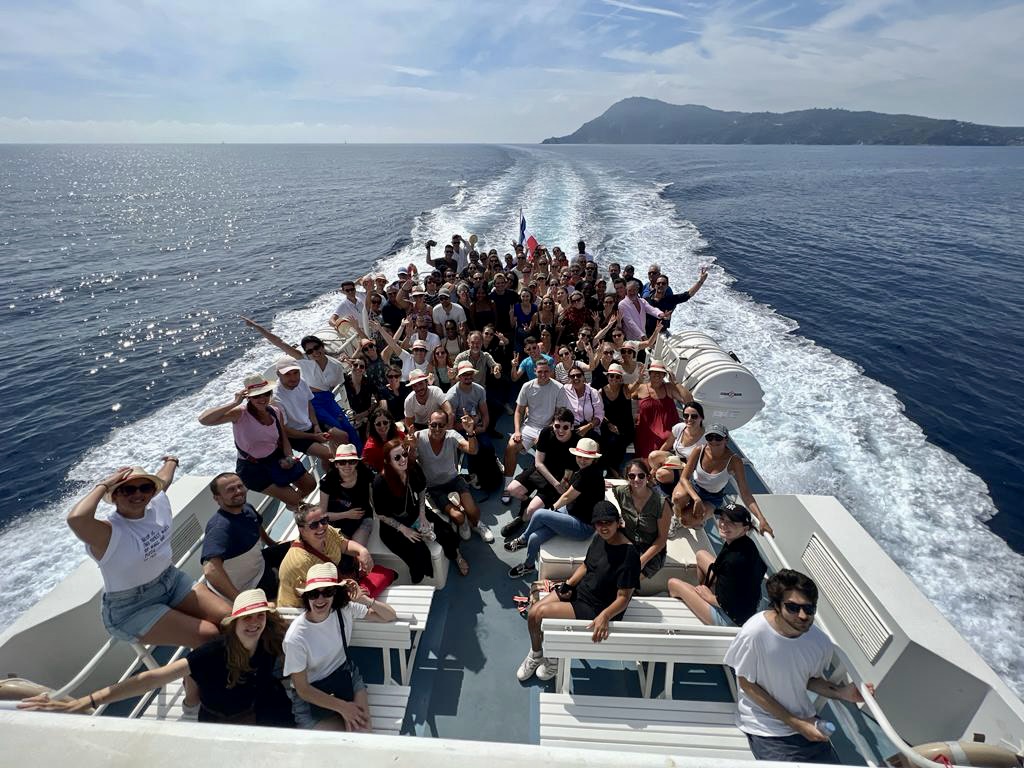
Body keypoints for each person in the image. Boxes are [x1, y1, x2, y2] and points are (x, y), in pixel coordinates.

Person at [20, 589, 295, 727]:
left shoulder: (270, 640)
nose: (254, 623)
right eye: (246, 617)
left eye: (259, 616)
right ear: (233, 623)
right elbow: (152, 678)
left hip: (259, 705)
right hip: (223, 719)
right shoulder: (213, 652)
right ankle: (190, 704)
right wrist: (85, 701)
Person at [67, 461, 229, 649]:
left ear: (152, 491)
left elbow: (164, 478)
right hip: (132, 607)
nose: (138, 494)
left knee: (232, 618)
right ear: (115, 495)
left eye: (145, 488)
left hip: (171, 581)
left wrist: (171, 461)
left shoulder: (158, 503)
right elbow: (77, 519)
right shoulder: (107, 533)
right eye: (128, 489)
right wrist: (105, 484)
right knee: (209, 635)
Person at [724, 570, 870, 763]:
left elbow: (809, 679)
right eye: (793, 607)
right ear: (777, 605)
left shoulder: (819, 642)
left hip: (807, 722)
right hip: (767, 728)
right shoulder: (754, 634)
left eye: (809, 609)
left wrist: (841, 692)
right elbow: (747, 685)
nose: (802, 616)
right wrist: (797, 724)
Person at [516, 501, 639, 682]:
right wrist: (568, 584)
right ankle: (536, 654)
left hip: (598, 607)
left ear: (618, 522)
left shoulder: (629, 556)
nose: (603, 527)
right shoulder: (600, 538)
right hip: (582, 590)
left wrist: (605, 616)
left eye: (608, 522)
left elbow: (624, 597)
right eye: (599, 523)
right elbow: (586, 565)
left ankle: (553, 660)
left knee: (541, 613)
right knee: (534, 612)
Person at [284, 563, 397, 731]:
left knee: (361, 732)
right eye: (314, 594)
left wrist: (364, 600)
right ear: (307, 597)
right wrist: (344, 707)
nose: (320, 599)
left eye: (327, 592)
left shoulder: (344, 609)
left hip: (344, 676)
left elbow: (389, 615)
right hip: (312, 694)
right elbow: (303, 689)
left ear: (335, 593)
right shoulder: (296, 637)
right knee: (337, 741)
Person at [199, 374, 317, 508]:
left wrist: (289, 457)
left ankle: (293, 505)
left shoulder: (275, 411)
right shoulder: (240, 414)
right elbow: (204, 420)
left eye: (266, 394)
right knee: (295, 500)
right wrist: (234, 403)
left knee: (310, 485)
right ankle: (296, 505)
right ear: (248, 397)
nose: (262, 399)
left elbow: (283, 438)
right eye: (256, 396)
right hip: (253, 468)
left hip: (276, 457)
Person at [240, 319, 358, 443]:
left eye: (316, 347)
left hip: (328, 399)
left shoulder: (335, 365)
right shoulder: (304, 360)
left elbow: (337, 384)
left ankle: (360, 453)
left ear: (322, 346)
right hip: (313, 401)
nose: (314, 352)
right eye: (310, 351)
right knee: (339, 430)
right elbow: (279, 342)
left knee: (348, 428)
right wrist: (256, 326)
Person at [505, 437, 606, 579]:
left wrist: (552, 508)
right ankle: (528, 566)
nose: (582, 460)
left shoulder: (588, 475)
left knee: (540, 514)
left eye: (587, 458)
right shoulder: (588, 471)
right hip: (570, 512)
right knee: (534, 538)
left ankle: (522, 540)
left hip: (583, 526)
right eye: (580, 456)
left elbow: (566, 497)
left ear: (593, 459)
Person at [373, 438, 467, 580]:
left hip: (414, 511)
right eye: (397, 457)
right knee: (418, 552)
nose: (403, 459)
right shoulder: (380, 482)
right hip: (393, 524)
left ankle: (456, 555)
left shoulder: (412, 467)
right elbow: (380, 514)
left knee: (446, 532)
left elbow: (422, 489)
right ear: (388, 461)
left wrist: (422, 514)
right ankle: (419, 579)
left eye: (404, 454)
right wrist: (404, 529)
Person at [668, 503, 767, 627]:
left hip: (732, 618)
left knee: (673, 584)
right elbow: (761, 570)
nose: (723, 524)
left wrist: (708, 597)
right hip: (751, 604)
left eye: (732, 522)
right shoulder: (746, 544)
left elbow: (730, 603)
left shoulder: (734, 561)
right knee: (701, 555)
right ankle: (700, 594)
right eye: (722, 519)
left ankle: (693, 601)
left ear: (745, 528)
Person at [675, 423, 775, 537]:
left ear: (726, 439)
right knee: (678, 499)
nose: (713, 441)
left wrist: (761, 519)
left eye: (718, 437)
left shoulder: (734, 461)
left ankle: (697, 517)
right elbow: (684, 478)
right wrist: (696, 498)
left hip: (712, 497)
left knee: (689, 521)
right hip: (694, 488)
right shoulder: (699, 450)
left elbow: (745, 493)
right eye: (709, 437)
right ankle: (677, 515)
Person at [500, 408, 579, 540]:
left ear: (572, 427)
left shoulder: (577, 442)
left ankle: (520, 520)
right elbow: (538, 463)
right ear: (553, 424)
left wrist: (560, 486)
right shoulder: (546, 433)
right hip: (542, 471)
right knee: (512, 490)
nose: (560, 430)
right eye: (557, 426)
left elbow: (572, 470)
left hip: (560, 477)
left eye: (565, 427)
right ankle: (527, 501)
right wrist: (555, 483)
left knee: (531, 511)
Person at [276, 504, 373, 610]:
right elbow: (313, 596)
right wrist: (347, 594)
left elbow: (344, 546)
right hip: (301, 607)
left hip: (328, 591)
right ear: (302, 530)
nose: (321, 526)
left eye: (324, 520)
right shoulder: (299, 562)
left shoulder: (327, 531)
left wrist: (362, 551)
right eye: (314, 525)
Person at [201, 472, 282, 601]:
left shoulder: (247, 508)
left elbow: (257, 524)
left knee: (297, 548)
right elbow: (210, 570)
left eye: (240, 486)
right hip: (248, 585)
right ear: (217, 498)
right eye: (231, 490)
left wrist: (271, 543)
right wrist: (240, 600)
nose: (238, 491)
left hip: (259, 564)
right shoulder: (220, 527)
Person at [416, 410, 493, 543]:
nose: (437, 429)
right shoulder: (418, 437)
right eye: (434, 425)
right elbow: (410, 461)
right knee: (458, 517)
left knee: (473, 511)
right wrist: (411, 448)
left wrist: (470, 432)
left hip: (454, 480)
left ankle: (476, 524)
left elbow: (473, 450)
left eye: (441, 425)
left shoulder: (452, 435)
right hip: (434, 487)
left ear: (447, 426)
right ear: (428, 424)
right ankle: (463, 522)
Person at [502, 358, 569, 501]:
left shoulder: (559, 388)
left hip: (550, 428)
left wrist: (545, 433)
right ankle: (507, 486)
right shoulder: (527, 386)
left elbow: (559, 416)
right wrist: (517, 431)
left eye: (546, 371)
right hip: (530, 426)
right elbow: (519, 411)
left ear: (550, 371)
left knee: (550, 457)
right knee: (510, 447)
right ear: (534, 371)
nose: (543, 375)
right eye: (540, 372)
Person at [272, 357, 356, 460]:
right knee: (330, 454)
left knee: (343, 436)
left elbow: (309, 404)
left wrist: (316, 425)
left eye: (296, 372)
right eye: (287, 374)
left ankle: (337, 467)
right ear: (278, 374)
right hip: (296, 436)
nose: (293, 378)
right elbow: (285, 430)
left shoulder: (301, 382)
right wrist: (314, 436)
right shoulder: (276, 398)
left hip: (310, 424)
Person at [612, 459, 671, 580]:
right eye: (631, 476)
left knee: (626, 581)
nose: (636, 479)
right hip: (628, 539)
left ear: (647, 477)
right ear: (627, 477)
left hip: (651, 549)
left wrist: (641, 561)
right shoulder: (620, 492)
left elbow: (662, 539)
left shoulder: (661, 504)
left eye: (641, 476)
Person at [633, 361, 692, 459]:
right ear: (649, 373)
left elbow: (689, 401)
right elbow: (627, 394)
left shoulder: (669, 388)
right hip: (646, 433)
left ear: (664, 375)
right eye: (654, 372)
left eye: (660, 372)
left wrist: (676, 383)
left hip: (669, 435)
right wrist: (638, 381)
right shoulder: (641, 388)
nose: (657, 374)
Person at [318, 444, 375, 547]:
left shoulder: (365, 474)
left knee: (357, 548)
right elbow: (322, 515)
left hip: (363, 518)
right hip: (337, 521)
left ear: (357, 463)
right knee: (339, 549)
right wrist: (346, 514)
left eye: (352, 462)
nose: (347, 466)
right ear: (336, 465)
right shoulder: (327, 482)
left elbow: (373, 500)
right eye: (342, 462)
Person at [645, 267, 708, 335]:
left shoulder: (671, 300)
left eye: (663, 283)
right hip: (646, 333)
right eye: (658, 283)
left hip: (661, 334)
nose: (661, 285)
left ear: (667, 286)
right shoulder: (646, 301)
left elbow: (688, 294)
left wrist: (701, 281)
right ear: (655, 285)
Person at [598, 363, 633, 477]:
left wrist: (639, 380)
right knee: (606, 440)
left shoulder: (625, 389)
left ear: (621, 378)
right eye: (611, 376)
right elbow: (599, 412)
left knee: (617, 440)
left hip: (625, 426)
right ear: (607, 376)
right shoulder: (601, 392)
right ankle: (612, 469)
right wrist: (609, 424)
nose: (614, 378)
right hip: (607, 424)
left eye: (617, 376)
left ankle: (611, 468)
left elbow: (635, 387)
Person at [562, 362, 604, 436]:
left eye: (578, 375)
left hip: (589, 428)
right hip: (570, 429)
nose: (576, 378)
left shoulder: (593, 393)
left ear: (584, 378)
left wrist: (588, 427)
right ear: (569, 379)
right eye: (572, 376)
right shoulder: (565, 389)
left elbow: (599, 415)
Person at [362, 405, 403, 472]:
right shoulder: (370, 448)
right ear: (373, 426)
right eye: (378, 424)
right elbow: (368, 467)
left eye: (385, 422)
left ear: (390, 422)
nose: (382, 426)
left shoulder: (400, 436)